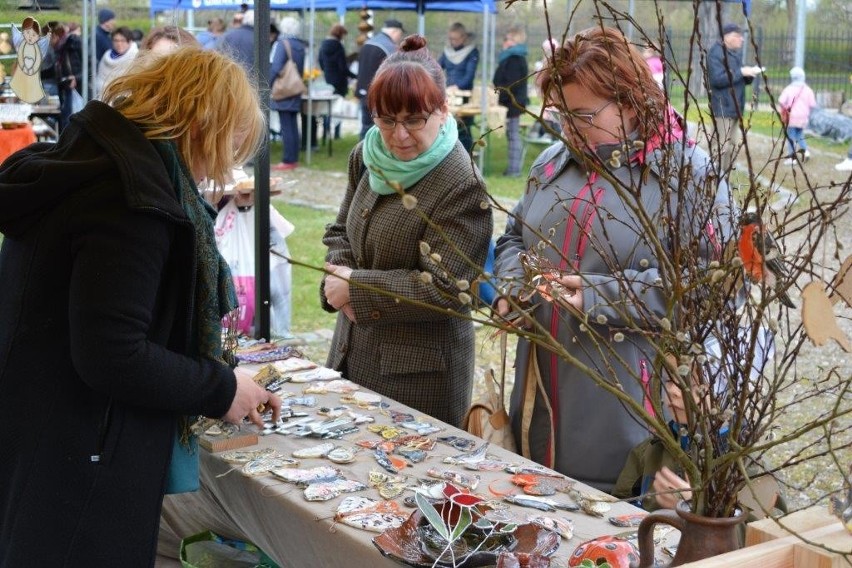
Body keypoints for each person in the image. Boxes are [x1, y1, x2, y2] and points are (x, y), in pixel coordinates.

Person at [0, 47, 280, 565]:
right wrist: (220, 389)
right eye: (229, 145)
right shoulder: (129, 199)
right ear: (201, 125)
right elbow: (112, 354)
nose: (225, 164)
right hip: (85, 457)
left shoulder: (86, 165)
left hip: (45, 430)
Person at [492, 26, 731, 493]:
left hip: (626, 415)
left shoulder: (688, 178)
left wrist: (605, 296)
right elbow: (514, 237)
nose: (567, 129)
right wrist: (513, 286)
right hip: (538, 408)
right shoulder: (551, 165)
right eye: (560, 115)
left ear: (630, 101)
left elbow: (718, 287)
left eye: (582, 115)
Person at [321, 34, 492, 427]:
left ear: (443, 110)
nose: (399, 135)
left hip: (417, 378)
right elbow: (339, 231)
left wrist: (356, 288)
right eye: (386, 119)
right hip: (351, 352)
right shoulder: (366, 155)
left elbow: (449, 289)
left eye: (414, 120)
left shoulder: (460, 183)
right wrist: (338, 278)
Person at [707, 23, 761, 175]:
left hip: (735, 108)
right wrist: (741, 72)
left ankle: (725, 181)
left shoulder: (734, 54)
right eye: (738, 36)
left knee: (732, 146)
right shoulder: (716, 53)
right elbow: (717, 80)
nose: (742, 40)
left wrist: (749, 74)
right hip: (723, 107)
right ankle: (712, 180)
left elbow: (738, 76)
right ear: (727, 37)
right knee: (720, 147)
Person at [355, 19, 405, 139]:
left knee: (366, 127)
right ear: (395, 31)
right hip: (378, 95)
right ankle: (372, 156)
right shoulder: (389, 48)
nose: (400, 38)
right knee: (378, 130)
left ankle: (361, 155)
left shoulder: (367, 43)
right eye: (400, 34)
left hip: (363, 92)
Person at [270, 16, 306, 172]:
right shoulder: (300, 45)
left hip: (283, 89)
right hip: (295, 87)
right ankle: (293, 158)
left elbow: (276, 67)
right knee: (292, 123)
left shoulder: (281, 44)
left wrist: (268, 84)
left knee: (286, 125)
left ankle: (287, 160)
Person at [493, 26, 529, 177]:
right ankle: (513, 168)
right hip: (510, 101)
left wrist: (500, 97)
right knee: (512, 135)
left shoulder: (515, 58)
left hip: (512, 102)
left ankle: (514, 170)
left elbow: (510, 84)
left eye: (507, 39)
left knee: (513, 136)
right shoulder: (510, 57)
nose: (504, 42)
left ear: (514, 41)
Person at [439, 22, 480, 153]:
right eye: (450, 39)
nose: (452, 42)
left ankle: (466, 157)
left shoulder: (472, 52)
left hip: (464, 95)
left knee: (463, 128)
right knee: (447, 126)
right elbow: (437, 69)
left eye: (455, 39)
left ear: (463, 38)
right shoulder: (447, 52)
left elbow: (469, 75)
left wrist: (457, 87)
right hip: (448, 95)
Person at [318, 23, 355, 140]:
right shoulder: (338, 46)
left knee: (327, 107)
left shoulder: (323, 44)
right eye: (343, 34)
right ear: (340, 34)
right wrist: (355, 76)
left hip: (328, 79)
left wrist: (327, 71)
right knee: (338, 107)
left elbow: (320, 61)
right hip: (340, 81)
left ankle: (325, 132)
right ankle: (337, 134)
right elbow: (342, 67)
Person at [778, 66, 816, 165]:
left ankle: (792, 157)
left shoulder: (789, 89)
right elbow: (812, 104)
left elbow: (781, 101)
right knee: (799, 134)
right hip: (803, 117)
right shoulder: (808, 90)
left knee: (791, 136)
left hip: (792, 117)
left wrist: (785, 108)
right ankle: (805, 151)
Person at [94, 26, 138, 99]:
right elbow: (100, 78)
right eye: (116, 40)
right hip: (104, 99)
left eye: (122, 40)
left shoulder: (136, 58)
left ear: (129, 41)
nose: (119, 44)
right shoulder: (106, 56)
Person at [56, 21, 83, 132]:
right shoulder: (76, 40)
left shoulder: (64, 43)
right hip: (75, 84)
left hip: (68, 83)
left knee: (68, 115)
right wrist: (77, 77)